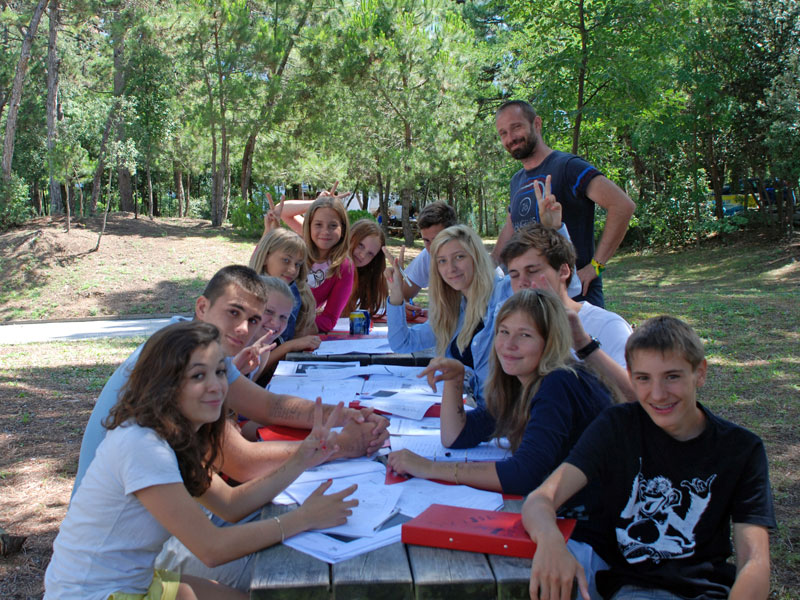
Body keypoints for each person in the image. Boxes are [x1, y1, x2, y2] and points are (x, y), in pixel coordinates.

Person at [45, 321, 358, 600]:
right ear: (165, 385)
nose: (216, 387)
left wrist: (303, 457)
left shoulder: (176, 434)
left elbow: (231, 504)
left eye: (220, 372)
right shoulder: (142, 445)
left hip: (136, 583)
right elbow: (212, 548)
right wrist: (304, 518)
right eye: (198, 375)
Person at [73, 265, 388, 494]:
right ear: (202, 307)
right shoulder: (178, 358)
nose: (243, 330)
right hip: (132, 551)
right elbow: (242, 462)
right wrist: (343, 445)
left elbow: (270, 406)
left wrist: (347, 414)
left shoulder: (201, 346)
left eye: (253, 319)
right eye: (233, 313)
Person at [522, 316, 775, 600]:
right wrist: (551, 542)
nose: (658, 394)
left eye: (672, 377)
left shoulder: (741, 449)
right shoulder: (617, 426)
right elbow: (541, 499)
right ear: (630, 376)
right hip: (628, 586)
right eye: (644, 378)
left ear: (700, 373)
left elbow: (754, 560)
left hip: (699, 590)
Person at [387, 288, 613, 499]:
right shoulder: (520, 383)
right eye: (504, 332)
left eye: (524, 335)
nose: (508, 345)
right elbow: (456, 437)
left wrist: (429, 468)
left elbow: (522, 475)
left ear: (550, 341)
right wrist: (454, 381)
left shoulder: (559, 382)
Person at [492, 100, 636, 308]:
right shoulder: (517, 180)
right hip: (536, 301)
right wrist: (486, 265)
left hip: (577, 299)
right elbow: (511, 228)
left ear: (537, 124)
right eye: (503, 133)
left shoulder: (568, 167)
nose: (511, 138)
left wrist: (596, 266)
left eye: (516, 127)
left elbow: (622, 205)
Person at [501, 221, 635, 402]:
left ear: (563, 271)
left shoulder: (606, 325)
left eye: (532, 271)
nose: (522, 282)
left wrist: (584, 345)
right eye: (514, 275)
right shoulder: (515, 331)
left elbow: (637, 396)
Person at [385, 224, 513, 405]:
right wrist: (397, 294)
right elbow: (401, 343)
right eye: (442, 261)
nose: (450, 268)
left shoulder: (504, 292)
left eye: (459, 257)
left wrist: (554, 228)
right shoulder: (453, 309)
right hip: (467, 411)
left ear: (476, 257)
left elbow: (550, 285)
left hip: (501, 417)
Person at [249, 229, 321, 366]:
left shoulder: (298, 291)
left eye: (298, 264)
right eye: (286, 260)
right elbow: (252, 365)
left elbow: (310, 330)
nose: (293, 270)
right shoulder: (251, 295)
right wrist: (290, 346)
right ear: (265, 257)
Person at [344, 219, 388, 317]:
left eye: (370, 254)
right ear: (350, 237)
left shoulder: (368, 279)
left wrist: (396, 306)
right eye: (360, 245)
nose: (362, 255)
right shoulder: (326, 265)